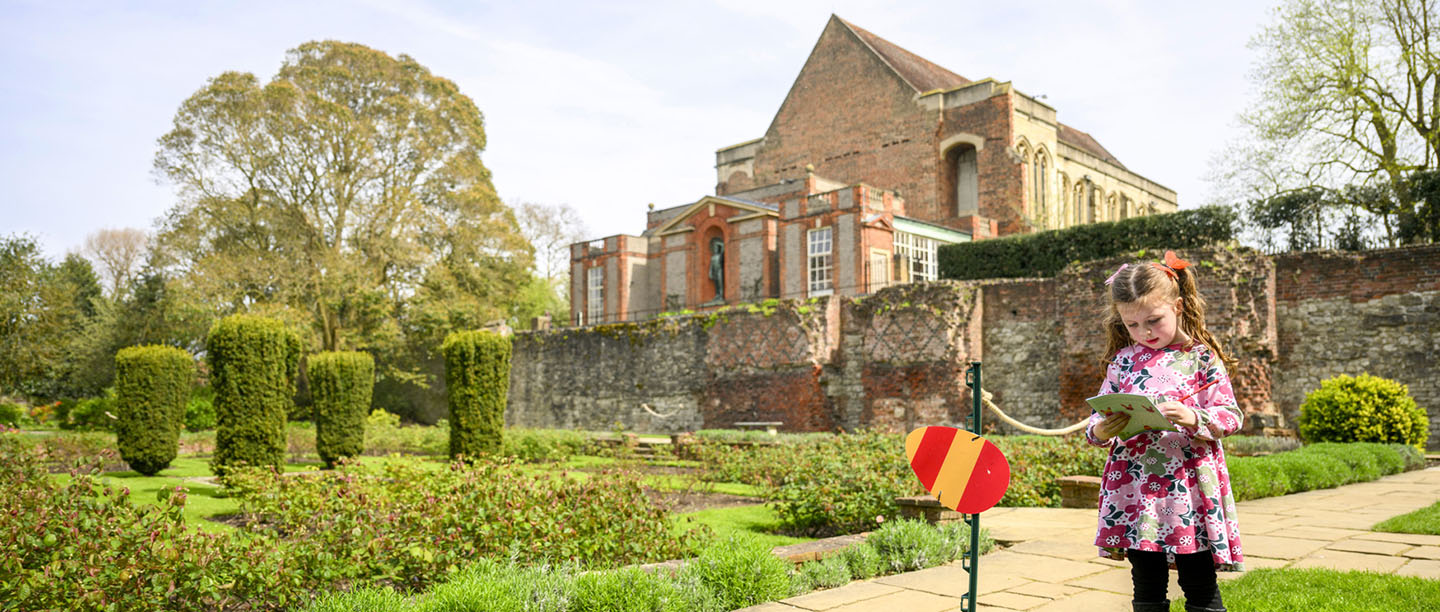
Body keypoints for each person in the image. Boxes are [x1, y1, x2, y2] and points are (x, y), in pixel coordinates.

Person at [1085, 250, 1243, 612]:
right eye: (1133, 325)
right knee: (1146, 579)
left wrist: (1193, 417)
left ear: (1179, 306)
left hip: (1187, 486)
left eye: (1154, 320)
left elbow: (1231, 414)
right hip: (1137, 489)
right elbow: (1097, 419)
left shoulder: (1201, 358)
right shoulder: (1123, 361)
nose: (1144, 332)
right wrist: (1103, 428)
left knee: (1198, 577)